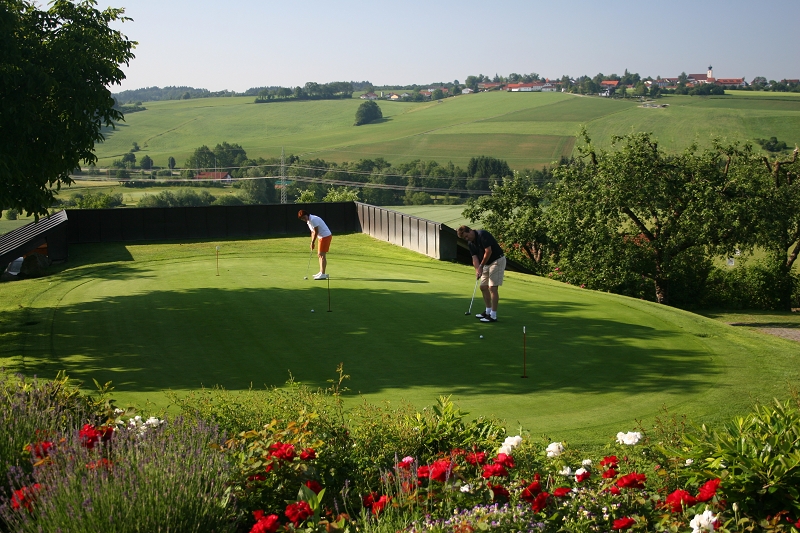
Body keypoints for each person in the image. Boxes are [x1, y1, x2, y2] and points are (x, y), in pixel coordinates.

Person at [457, 225, 506, 323]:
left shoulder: (482, 235)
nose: (467, 239)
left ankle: (493, 315)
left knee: (492, 288)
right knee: (483, 287)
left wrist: (481, 266)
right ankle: (487, 311)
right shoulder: (470, 243)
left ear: (470, 230)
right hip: (486, 264)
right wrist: (477, 269)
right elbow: (474, 258)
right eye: (464, 238)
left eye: (467, 236)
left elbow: (488, 251)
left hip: (497, 260)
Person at [298, 210, 332, 280]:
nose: (304, 219)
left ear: (307, 215)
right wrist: (311, 242)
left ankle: (323, 274)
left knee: (322, 254)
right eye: (302, 219)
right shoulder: (308, 221)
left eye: (304, 217)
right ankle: (321, 272)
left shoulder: (313, 219)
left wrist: (313, 242)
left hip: (325, 236)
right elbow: (312, 232)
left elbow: (316, 232)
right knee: (319, 255)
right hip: (321, 237)